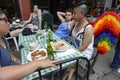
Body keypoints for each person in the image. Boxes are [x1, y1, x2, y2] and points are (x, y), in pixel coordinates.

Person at [0, 9, 57, 80]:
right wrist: (36, 63)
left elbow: (10, 56)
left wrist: (21, 63)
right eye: (5, 20)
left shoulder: (2, 38)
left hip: (20, 69)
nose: (8, 23)